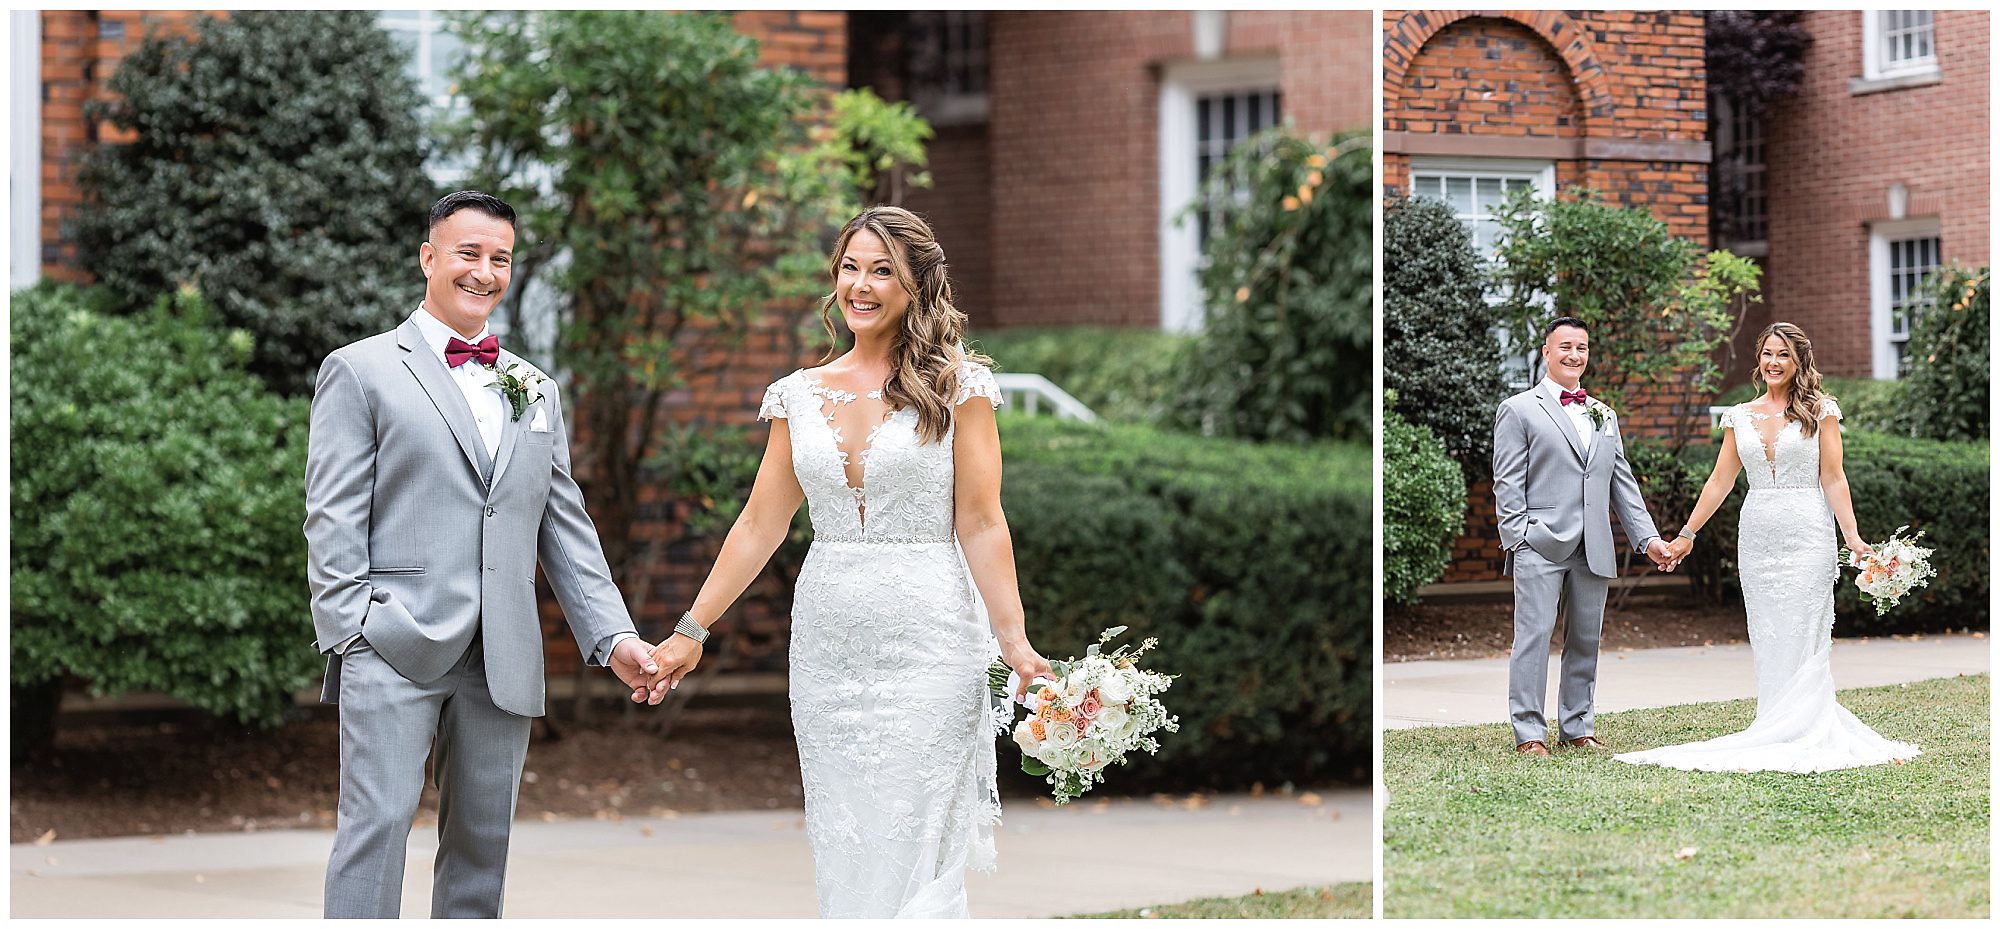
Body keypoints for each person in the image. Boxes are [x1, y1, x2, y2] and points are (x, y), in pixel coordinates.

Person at [643, 206, 1053, 917]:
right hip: (830, 648)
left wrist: (1012, 638)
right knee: (848, 841)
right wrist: (691, 629)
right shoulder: (798, 395)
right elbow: (759, 522)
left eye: (882, 269)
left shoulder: (961, 388)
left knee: (914, 837)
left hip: (931, 638)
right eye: (850, 267)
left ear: (917, 283)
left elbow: (983, 522)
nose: (861, 285)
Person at [306, 190, 669, 918]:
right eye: (468, 253)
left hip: (501, 653)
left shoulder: (534, 387)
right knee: (374, 833)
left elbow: (562, 522)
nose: (484, 271)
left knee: (481, 846)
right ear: (428, 258)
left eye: (499, 257)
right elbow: (331, 512)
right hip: (393, 639)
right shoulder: (361, 369)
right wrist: (351, 628)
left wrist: (614, 635)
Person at [1615, 322, 1920, 772]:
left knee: (1803, 629)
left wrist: (1852, 536)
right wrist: (1687, 534)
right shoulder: (1740, 415)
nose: (1773, 363)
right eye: (1767, 354)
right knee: (1769, 633)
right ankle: (1775, 721)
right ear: (1758, 359)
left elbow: (1833, 477)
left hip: (1808, 534)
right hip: (1757, 538)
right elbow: (1721, 480)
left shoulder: (1821, 411)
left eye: (1783, 355)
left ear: (1799, 362)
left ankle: (1806, 726)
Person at [1492, 316, 1678, 756]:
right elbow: (1506, 482)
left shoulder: (1603, 414)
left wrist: (1647, 539)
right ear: (1546, 352)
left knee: (1585, 640)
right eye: (1566, 347)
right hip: (1539, 542)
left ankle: (1577, 726)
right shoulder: (1518, 409)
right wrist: (1518, 537)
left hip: (1593, 546)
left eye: (1582, 347)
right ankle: (1530, 733)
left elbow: (1622, 483)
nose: (1574, 355)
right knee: (1533, 637)